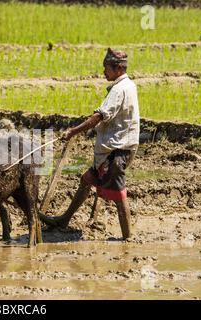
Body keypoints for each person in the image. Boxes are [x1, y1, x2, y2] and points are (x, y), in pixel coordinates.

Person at [39, 48, 140, 239]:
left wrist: (73, 131)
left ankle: (128, 237)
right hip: (113, 148)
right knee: (87, 180)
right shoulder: (128, 85)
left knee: (119, 195)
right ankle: (64, 220)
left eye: (106, 68)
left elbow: (98, 117)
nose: (103, 72)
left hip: (117, 150)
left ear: (118, 68)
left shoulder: (119, 89)